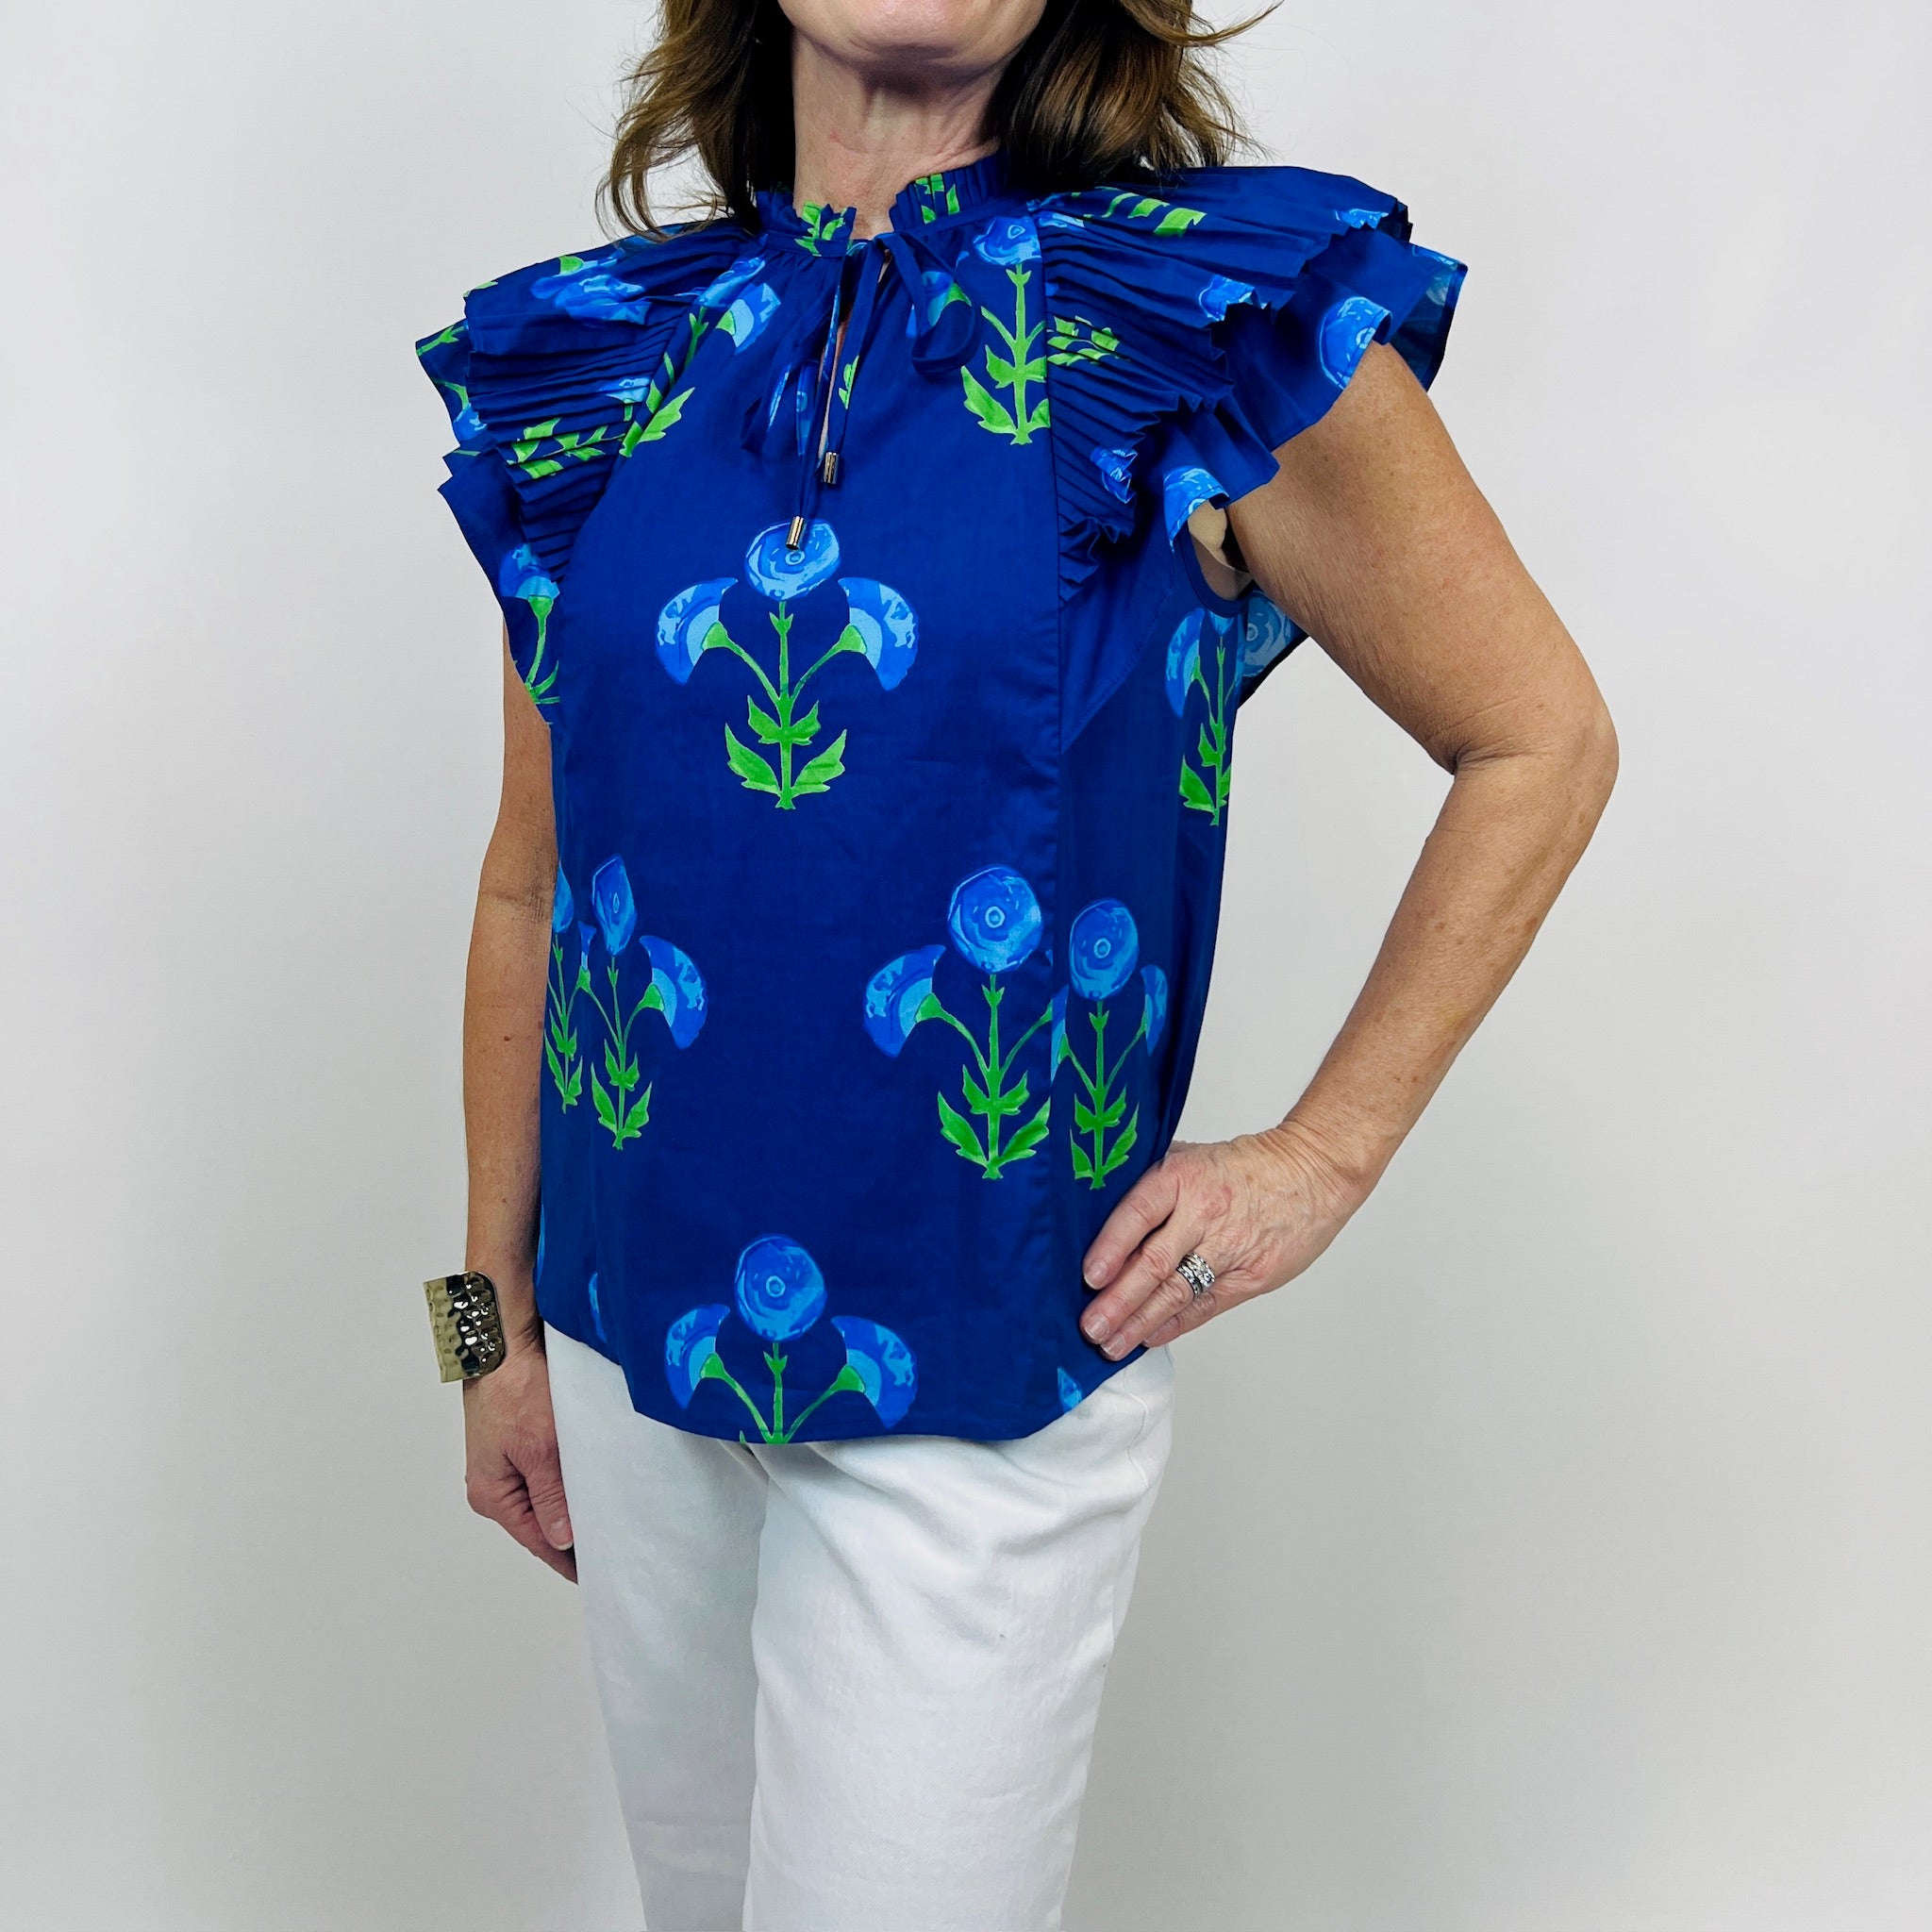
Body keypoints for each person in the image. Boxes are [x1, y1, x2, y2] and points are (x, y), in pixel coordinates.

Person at [413, 0, 1617, 1921]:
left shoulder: (1201, 325)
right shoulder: (616, 361)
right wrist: (482, 1332)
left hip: (980, 1377)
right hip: (634, 1373)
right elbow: (526, 886)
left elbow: (1538, 738)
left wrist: (1320, 1156)